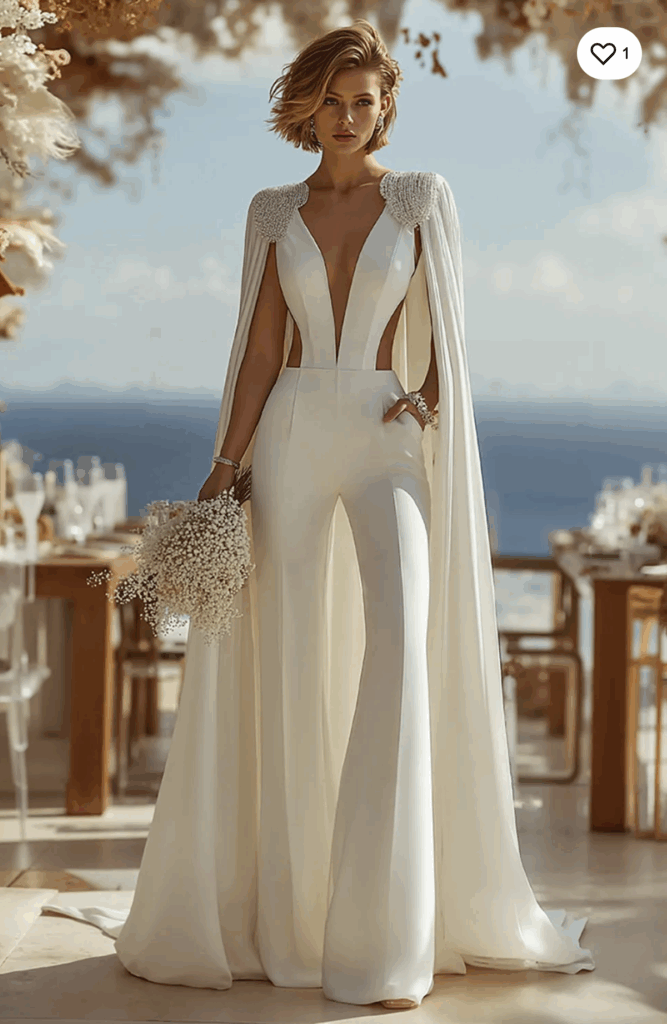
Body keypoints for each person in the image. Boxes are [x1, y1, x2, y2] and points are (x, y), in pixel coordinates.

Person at [44, 19, 595, 1010]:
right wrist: (224, 466)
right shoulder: (270, 210)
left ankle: (383, 930)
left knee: (399, 641)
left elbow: (449, 335)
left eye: (364, 101)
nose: (347, 118)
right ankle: (297, 925)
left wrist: (426, 395)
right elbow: (259, 351)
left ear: (386, 106)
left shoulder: (422, 200)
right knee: (289, 662)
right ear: (306, 105)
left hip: (385, 435)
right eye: (331, 100)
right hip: (293, 432)